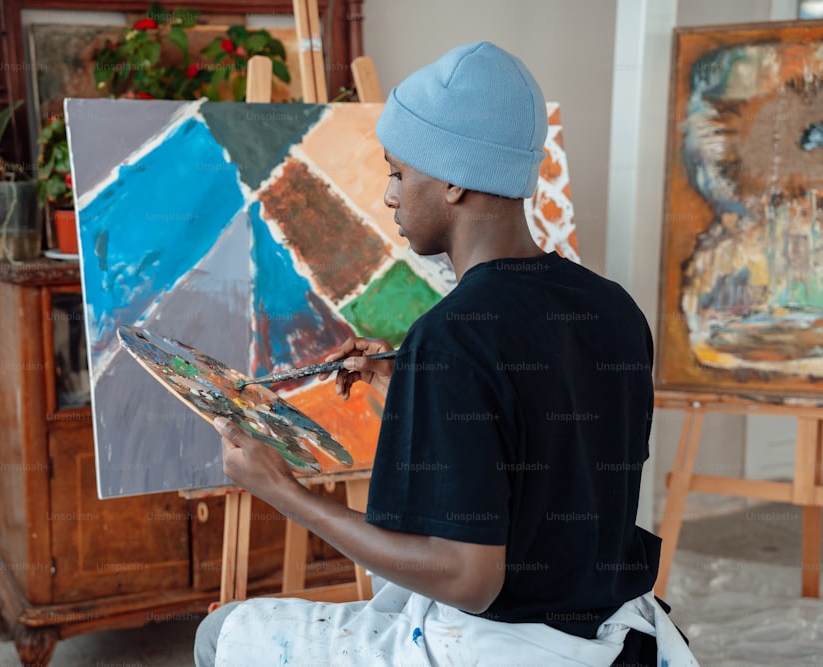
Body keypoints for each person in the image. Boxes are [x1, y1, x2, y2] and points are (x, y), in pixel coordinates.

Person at [195, 41, 698, 666]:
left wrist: (284, 492)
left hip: (504, 648)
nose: (389, 197)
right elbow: (546, 441)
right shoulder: (613, 308)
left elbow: (467, 577)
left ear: (455, 178)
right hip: (613, 636)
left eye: (399, 172)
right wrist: (413, 391)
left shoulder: (455, 334)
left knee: (219, 632)